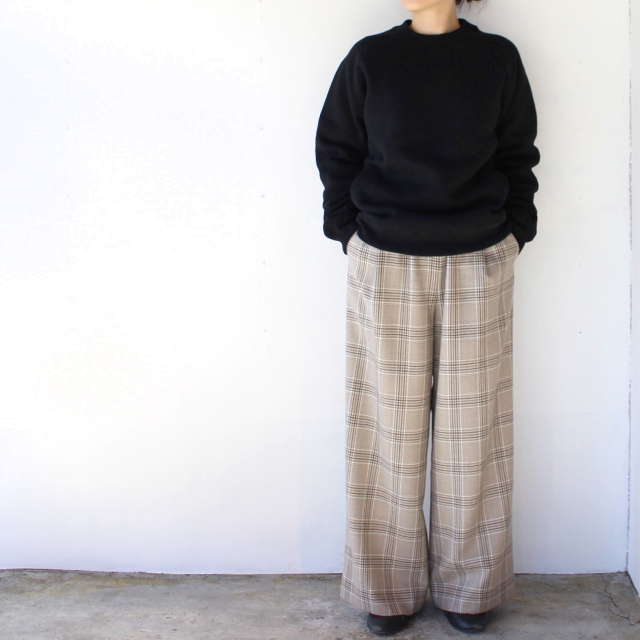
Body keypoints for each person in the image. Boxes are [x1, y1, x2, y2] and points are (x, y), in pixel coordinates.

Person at [315, 0, 540, 636]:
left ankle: (471, 588)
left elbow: (518, 155)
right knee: (385, 429)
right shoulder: (371, 59)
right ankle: (385, 591)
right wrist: (347, 232)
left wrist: (515, 233)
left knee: (476, 434)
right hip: (386, 259)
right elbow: (337, 149)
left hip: (479, 260)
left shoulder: (496, 59)